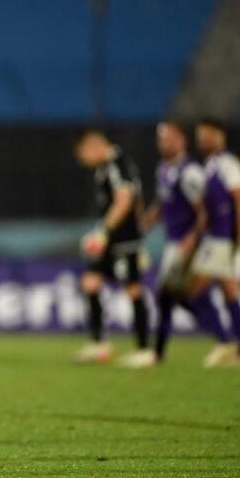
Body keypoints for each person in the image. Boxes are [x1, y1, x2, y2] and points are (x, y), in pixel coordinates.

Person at [143, 122, 229, 362]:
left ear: (182, 140)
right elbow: (163, 201)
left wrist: (192, 237)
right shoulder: (163, 169)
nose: (165, 142)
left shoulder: (190, 171)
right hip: (174, 242)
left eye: (170, 137)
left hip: (187, 244)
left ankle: (159, 353)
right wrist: (149, 220)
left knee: (169, 295)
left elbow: (204, 210)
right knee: (177, 296)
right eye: (162, 138)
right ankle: (222, 339)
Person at [73, 130, 152, 368]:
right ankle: (99, 344)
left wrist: (103, 232)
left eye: (82, 154)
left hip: (122, 240)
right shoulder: (105, 168)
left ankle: (144, 349)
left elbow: (125, 200)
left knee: (133, 289)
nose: (82, 160)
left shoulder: (118, 163)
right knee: (89, 283)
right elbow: (138, 202)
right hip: (112, 241)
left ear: (93, 145)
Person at [188, 118, 240, 367]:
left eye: (208, 134)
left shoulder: (228, 163)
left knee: (195, 291)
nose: (203, 139)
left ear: (220, 135)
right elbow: (209, 208)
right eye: (200, 135)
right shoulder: (210, 164)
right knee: (228, 292)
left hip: (225, 239)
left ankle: (228, 344)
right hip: (214, 238)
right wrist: (196, 232)